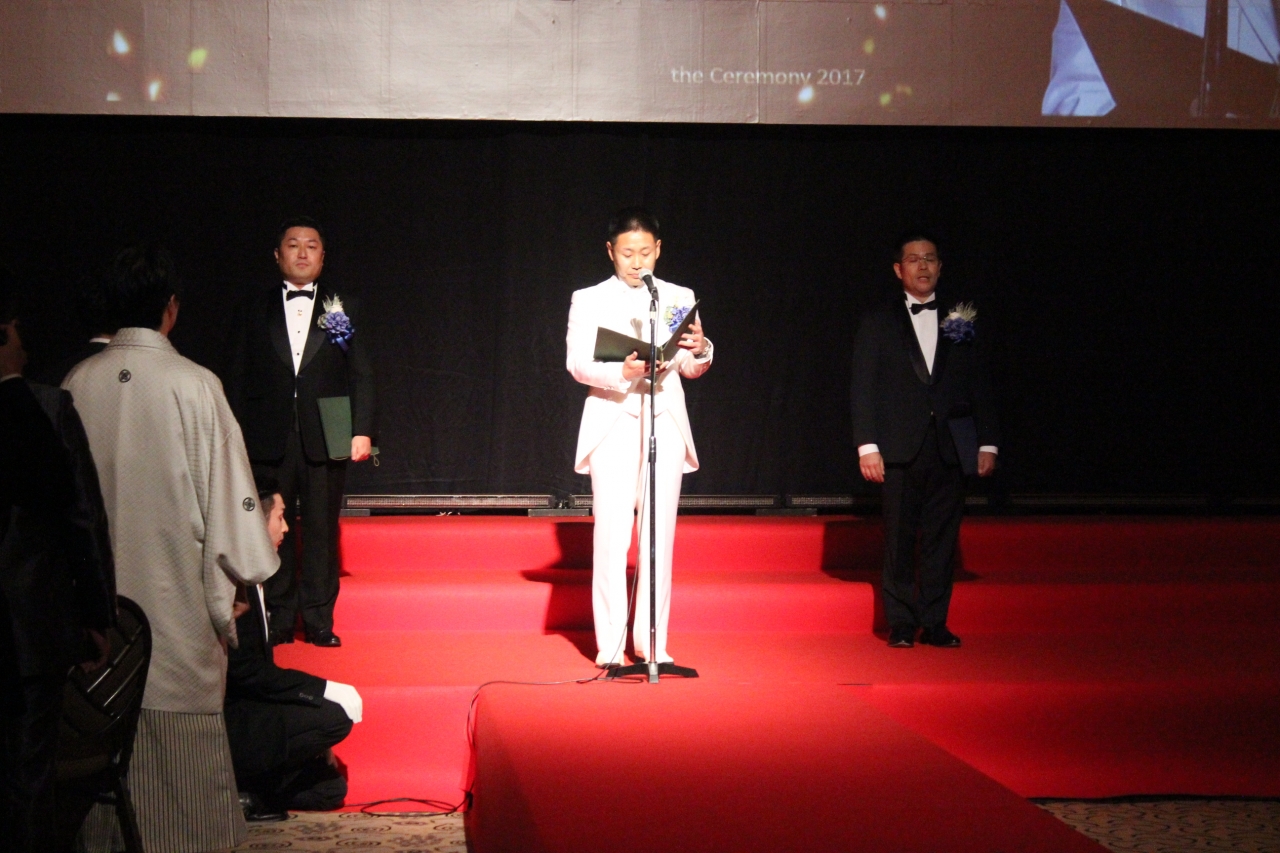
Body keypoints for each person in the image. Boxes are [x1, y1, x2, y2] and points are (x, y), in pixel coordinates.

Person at [65, 245, 280, 853]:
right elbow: (232, 505)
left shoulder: (78, 382)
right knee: (183, 811)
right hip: (174, 610)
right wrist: (248, 565)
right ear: (171, 309)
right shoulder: (194, 385)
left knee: (99, 788)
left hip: (99, 623)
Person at [565, 207, 713, 668]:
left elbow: (688, 364)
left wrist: (701, 350)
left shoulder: (677, 296)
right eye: (628, 253)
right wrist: (621, 372)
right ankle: (610, 645)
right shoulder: (588, 298)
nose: (637, 262)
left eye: (645, 252)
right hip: (614, 417)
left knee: (658, 535)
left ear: (659, 250)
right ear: (611, 252)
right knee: (612, 534)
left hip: (663, 418)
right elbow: (577, 363)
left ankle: (654, 644)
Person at [1, 274, 115, 853]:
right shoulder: (42, 408)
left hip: (29, 628)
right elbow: (80, 518)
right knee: (28, 776)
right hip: (26, 627)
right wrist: (97, 614)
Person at [224, 217, 377, 648]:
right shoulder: (254, 307)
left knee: (321, 529)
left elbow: (361, 372)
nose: (303, 252)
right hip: (266, 432)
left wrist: (362, 429)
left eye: (312, 245)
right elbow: (236, 374)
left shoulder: (342, 305)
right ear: (278, 255)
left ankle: (319, 619)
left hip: (327, 430)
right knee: (271, 525)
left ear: (323, 257)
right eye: (293, 245)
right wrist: (232, 431)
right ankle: (277, 615)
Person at [850, 233, 999, 649]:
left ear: (940, 267)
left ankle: (935, 622)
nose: (923, 266)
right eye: (914, 259)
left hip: (951, 446)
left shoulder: (960, 319)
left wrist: (988, 442)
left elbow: (980, 383)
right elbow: (863, 387)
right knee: (899, 539)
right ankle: (901, 622)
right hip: (898, 447)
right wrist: (867, 445)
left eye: (930, 259)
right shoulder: (878, 321)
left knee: (942, 539)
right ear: (899, 269)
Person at [226, 475, 361, 821]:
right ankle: (238, 784)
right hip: (235, 716)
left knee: (331, 790)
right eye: (280, 517)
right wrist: (322, 689)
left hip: (255, 701)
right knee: (335, 717)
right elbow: (247, 672)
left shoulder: (261, 575)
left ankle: (255, 791)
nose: (286, 528)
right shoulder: (235, 581)